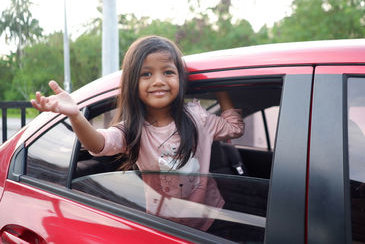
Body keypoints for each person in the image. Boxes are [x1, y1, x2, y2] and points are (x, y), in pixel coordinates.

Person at [31, 35, 244, 230]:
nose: (158, 81)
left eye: (168, 72)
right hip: (163, 226)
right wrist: (76, 115)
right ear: (133, 83)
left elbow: (234, 128)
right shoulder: (133, 130)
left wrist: (220, 85)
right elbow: (99, 144)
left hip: (210, 218)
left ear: (180, 79)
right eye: (146, 74)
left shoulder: (198, 116)